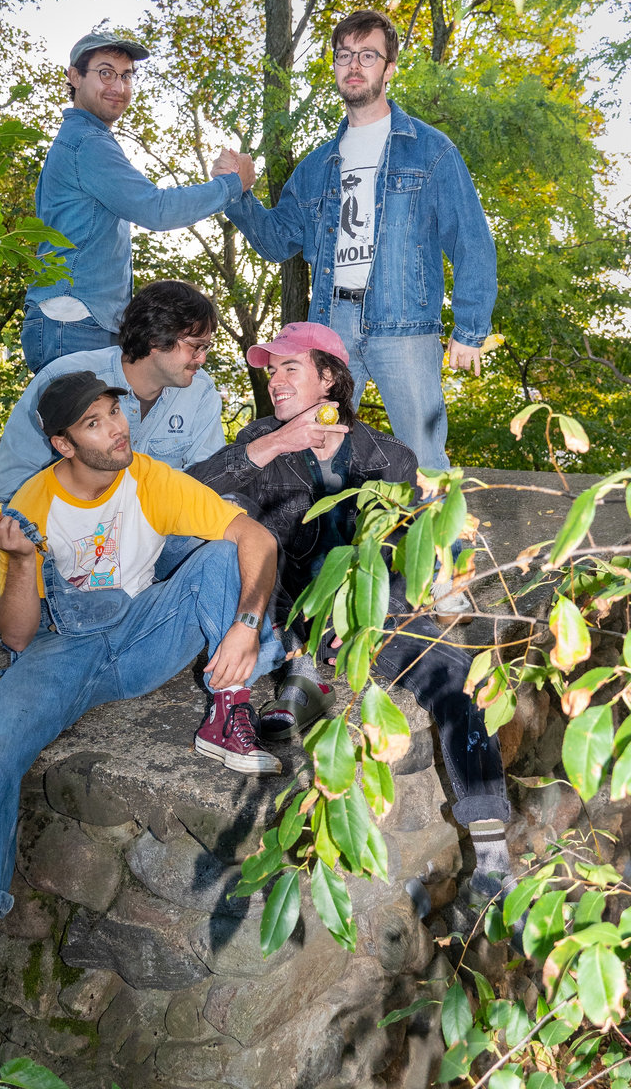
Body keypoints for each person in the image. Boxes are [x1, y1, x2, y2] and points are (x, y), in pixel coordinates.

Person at [0, 371, 284, 1009]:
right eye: (95, 423)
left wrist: (243, 628)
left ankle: (227, 713)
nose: (116, 429)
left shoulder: (150, 477)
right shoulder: (34, 503)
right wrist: (19, 562)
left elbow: (258, 539)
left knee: (221, 556)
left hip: (141, 634)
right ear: (62, 444)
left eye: (114, 413)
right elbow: (17, 635)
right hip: (60, 649)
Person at [188, 322, 512, 905]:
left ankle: (491, 855)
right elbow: (185, 498)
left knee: (456, 680)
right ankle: (301, 671)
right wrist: (273, 446)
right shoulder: (261, 440)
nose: (276, 380)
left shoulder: (389, 457)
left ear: (330, 378)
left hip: (375, 611)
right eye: (271, 370)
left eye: (291, 368)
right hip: (289, 613)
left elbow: (399, 562)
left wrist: (369, 619)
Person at [212, 9, 497, 478]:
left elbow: (470, 240)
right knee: (321, 453)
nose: (355, 65)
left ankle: (436, 552)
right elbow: (277, 241)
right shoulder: (316, 165)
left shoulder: (430, 150)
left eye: (368, 55)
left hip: (404, 324)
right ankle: (329, 551)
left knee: (422, 460)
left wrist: (470, 329)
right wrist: (234, 194)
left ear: (390, 68)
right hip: (330, 326)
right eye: (345, 55)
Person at [24, 28, 254, 373]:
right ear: (74, 76)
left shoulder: (84, 140)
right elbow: (156, 210)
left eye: (126, 76)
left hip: (80, 322)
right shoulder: (86, 142)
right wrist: (233, 185)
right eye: (105, 73)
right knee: (81, 427)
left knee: (98, 427)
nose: (118, 87)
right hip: (73, 323)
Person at [0, 279, 225, 504]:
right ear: (156, 339)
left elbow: (211, 481)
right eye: (195, 346)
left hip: (160, 526)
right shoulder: (63, 378)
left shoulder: (201, 391)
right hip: (74, 528)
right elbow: (11, 484)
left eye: (206, 348)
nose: (202, 359)